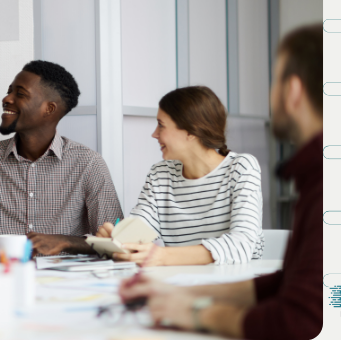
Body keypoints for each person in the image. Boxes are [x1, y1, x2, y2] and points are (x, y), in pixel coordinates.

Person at [119, 23, 323, 340]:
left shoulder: (309, 181)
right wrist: (122, 238)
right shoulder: (315, 177)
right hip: (185, 282)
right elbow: (287, 285)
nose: (154, 134)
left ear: (293, 91)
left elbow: (299, 319)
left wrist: (194, 310)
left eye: (275, 81)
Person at [0, 60, 123, 256]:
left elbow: (116, 241)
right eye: (9, 91)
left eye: (20, 94)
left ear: (49, 109)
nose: (7, 99)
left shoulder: (88, 163)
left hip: (67, 282)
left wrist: (66, 242)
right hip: (5, 277)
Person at [95, 86, 264, 266]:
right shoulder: (160, 174)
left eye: (161, 125)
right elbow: (139, 230)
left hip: (235, 285)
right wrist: (118, 240)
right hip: (179, 285)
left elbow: (241, 244)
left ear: (191, 131)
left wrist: (162, 256)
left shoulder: (241, 167)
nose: (154, 134)